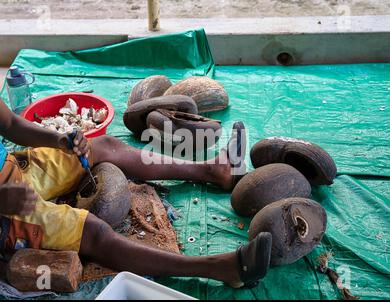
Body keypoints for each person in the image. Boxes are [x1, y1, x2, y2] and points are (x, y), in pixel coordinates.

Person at [0, 98, 272, 289]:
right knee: (96, 233)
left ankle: (214, 171)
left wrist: (58, 140)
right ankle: (217, 268)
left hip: (11, 169)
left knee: (104, 146)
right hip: (5, 211)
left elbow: (11, 123)